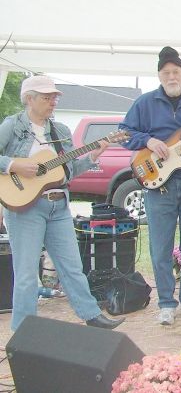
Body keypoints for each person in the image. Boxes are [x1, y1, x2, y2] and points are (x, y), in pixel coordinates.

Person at [0, 75, 124, 331]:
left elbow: (66, 172)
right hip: (25, 208)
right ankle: (24, 330)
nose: (52, 101)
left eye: (54, 97)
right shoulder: (12, 126)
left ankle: (91, 315)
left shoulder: (61, 131)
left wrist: (92, 155)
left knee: (72, 266)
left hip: (58, 205)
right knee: (25, 275)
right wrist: (14, 164)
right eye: (47, 97)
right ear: (29, 99)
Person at [120, 47, 181, 325]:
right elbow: (125, 133)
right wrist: (147, 141)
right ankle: (166, 303)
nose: (171, 76)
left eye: (176, 71)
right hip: (158, 186)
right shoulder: (144, 103)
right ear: (159, 75)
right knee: (160, 247)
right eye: (166, 72)